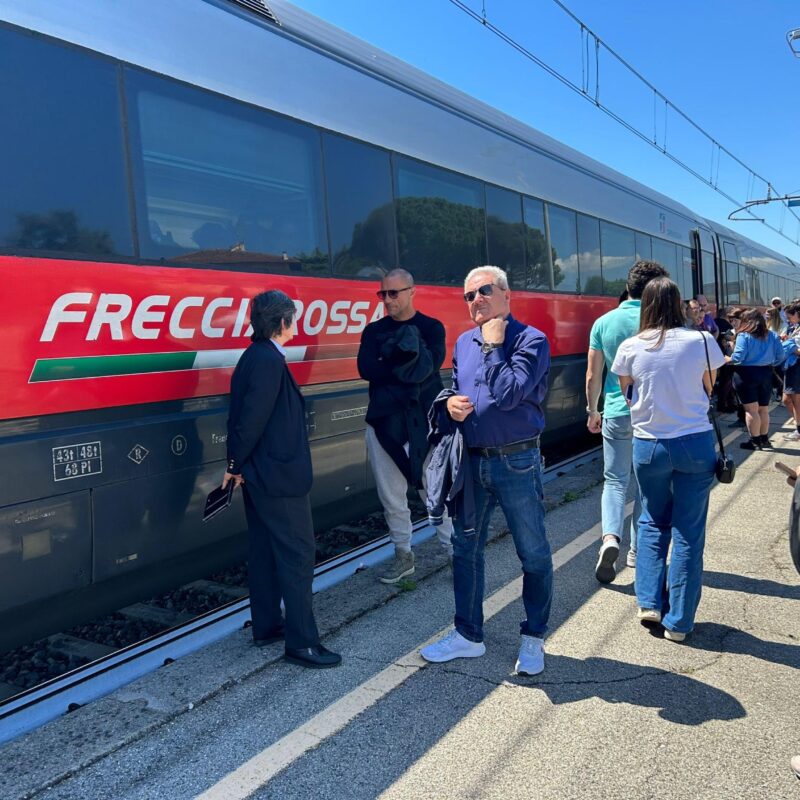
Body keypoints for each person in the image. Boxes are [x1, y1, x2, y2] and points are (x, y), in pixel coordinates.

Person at [420, 266, 552, 676]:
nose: (475, 299)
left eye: (483, 291)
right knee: (465, 550)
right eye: (468, 295)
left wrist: (494, 347)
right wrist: (449, 406)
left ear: (506, 294)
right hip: (471, 460)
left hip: (516, 461)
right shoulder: (462, 341)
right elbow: (459, 387)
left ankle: (533, 638)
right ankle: (468, 635)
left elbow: (510, 394)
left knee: (532, 552)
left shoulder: (531, 340)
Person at [224, 290, 341, 669]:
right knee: (297, 555)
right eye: (293, 319)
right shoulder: (268, 361)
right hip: (278, 478)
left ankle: (268, 626)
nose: (296, 326)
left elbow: (244, 417)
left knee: (264, 552)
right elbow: (251, 420)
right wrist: (234, 462)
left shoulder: (253, 357)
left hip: (261, 475)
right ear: (281, 322)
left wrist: (238, 465)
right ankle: (303, 643)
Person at [611, 277, 725, 642]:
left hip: (649, 446)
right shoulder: (703, 340)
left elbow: (627, 391)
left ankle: (649, 603)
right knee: (688, 532)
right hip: (694, 443)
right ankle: (679, 623)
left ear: (645, 304)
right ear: (679, 304)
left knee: (651, 521)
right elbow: (710, 386)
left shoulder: (631, 345)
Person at [357, 268, 453, 584]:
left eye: (393, 293)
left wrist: (390, 364)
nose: (387, 300)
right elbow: (366, 369)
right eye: (382, 294)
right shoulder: (373, 331)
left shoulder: (431, 327)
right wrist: (404, 364)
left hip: (424, 421)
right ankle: (403, 556)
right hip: (383, 422)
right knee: (391, 495)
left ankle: (455, 552)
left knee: (434, 489)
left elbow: (428, 368)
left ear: (412, 291)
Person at [586, 260, 668, 583]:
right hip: (652, 415)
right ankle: (636, 551)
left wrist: (593, 410)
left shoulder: (604, 321)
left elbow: (594, 374)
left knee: (615, 481)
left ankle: (609, 538)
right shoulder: (662, 322)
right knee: (647, 483)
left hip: (617, 412)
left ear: (628, 286)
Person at [726, 308, 785, 450]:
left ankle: (754, 441)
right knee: (763, 409)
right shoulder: (772, 335)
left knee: (751, 410)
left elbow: (737, 358)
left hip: (746, 374)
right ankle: (764, 440)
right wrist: (769, 363)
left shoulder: (743, 336)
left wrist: (727, 359)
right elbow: (781, 356)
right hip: (766, 373)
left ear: (749, 322)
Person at [781, 302, 800, 441]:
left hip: (797, 366)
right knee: (787, 399)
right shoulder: (794, 328)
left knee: (795, 400)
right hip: (791, 366)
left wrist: (792, 347)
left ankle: (799, 430)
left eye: (790, 316)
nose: (788, 319)